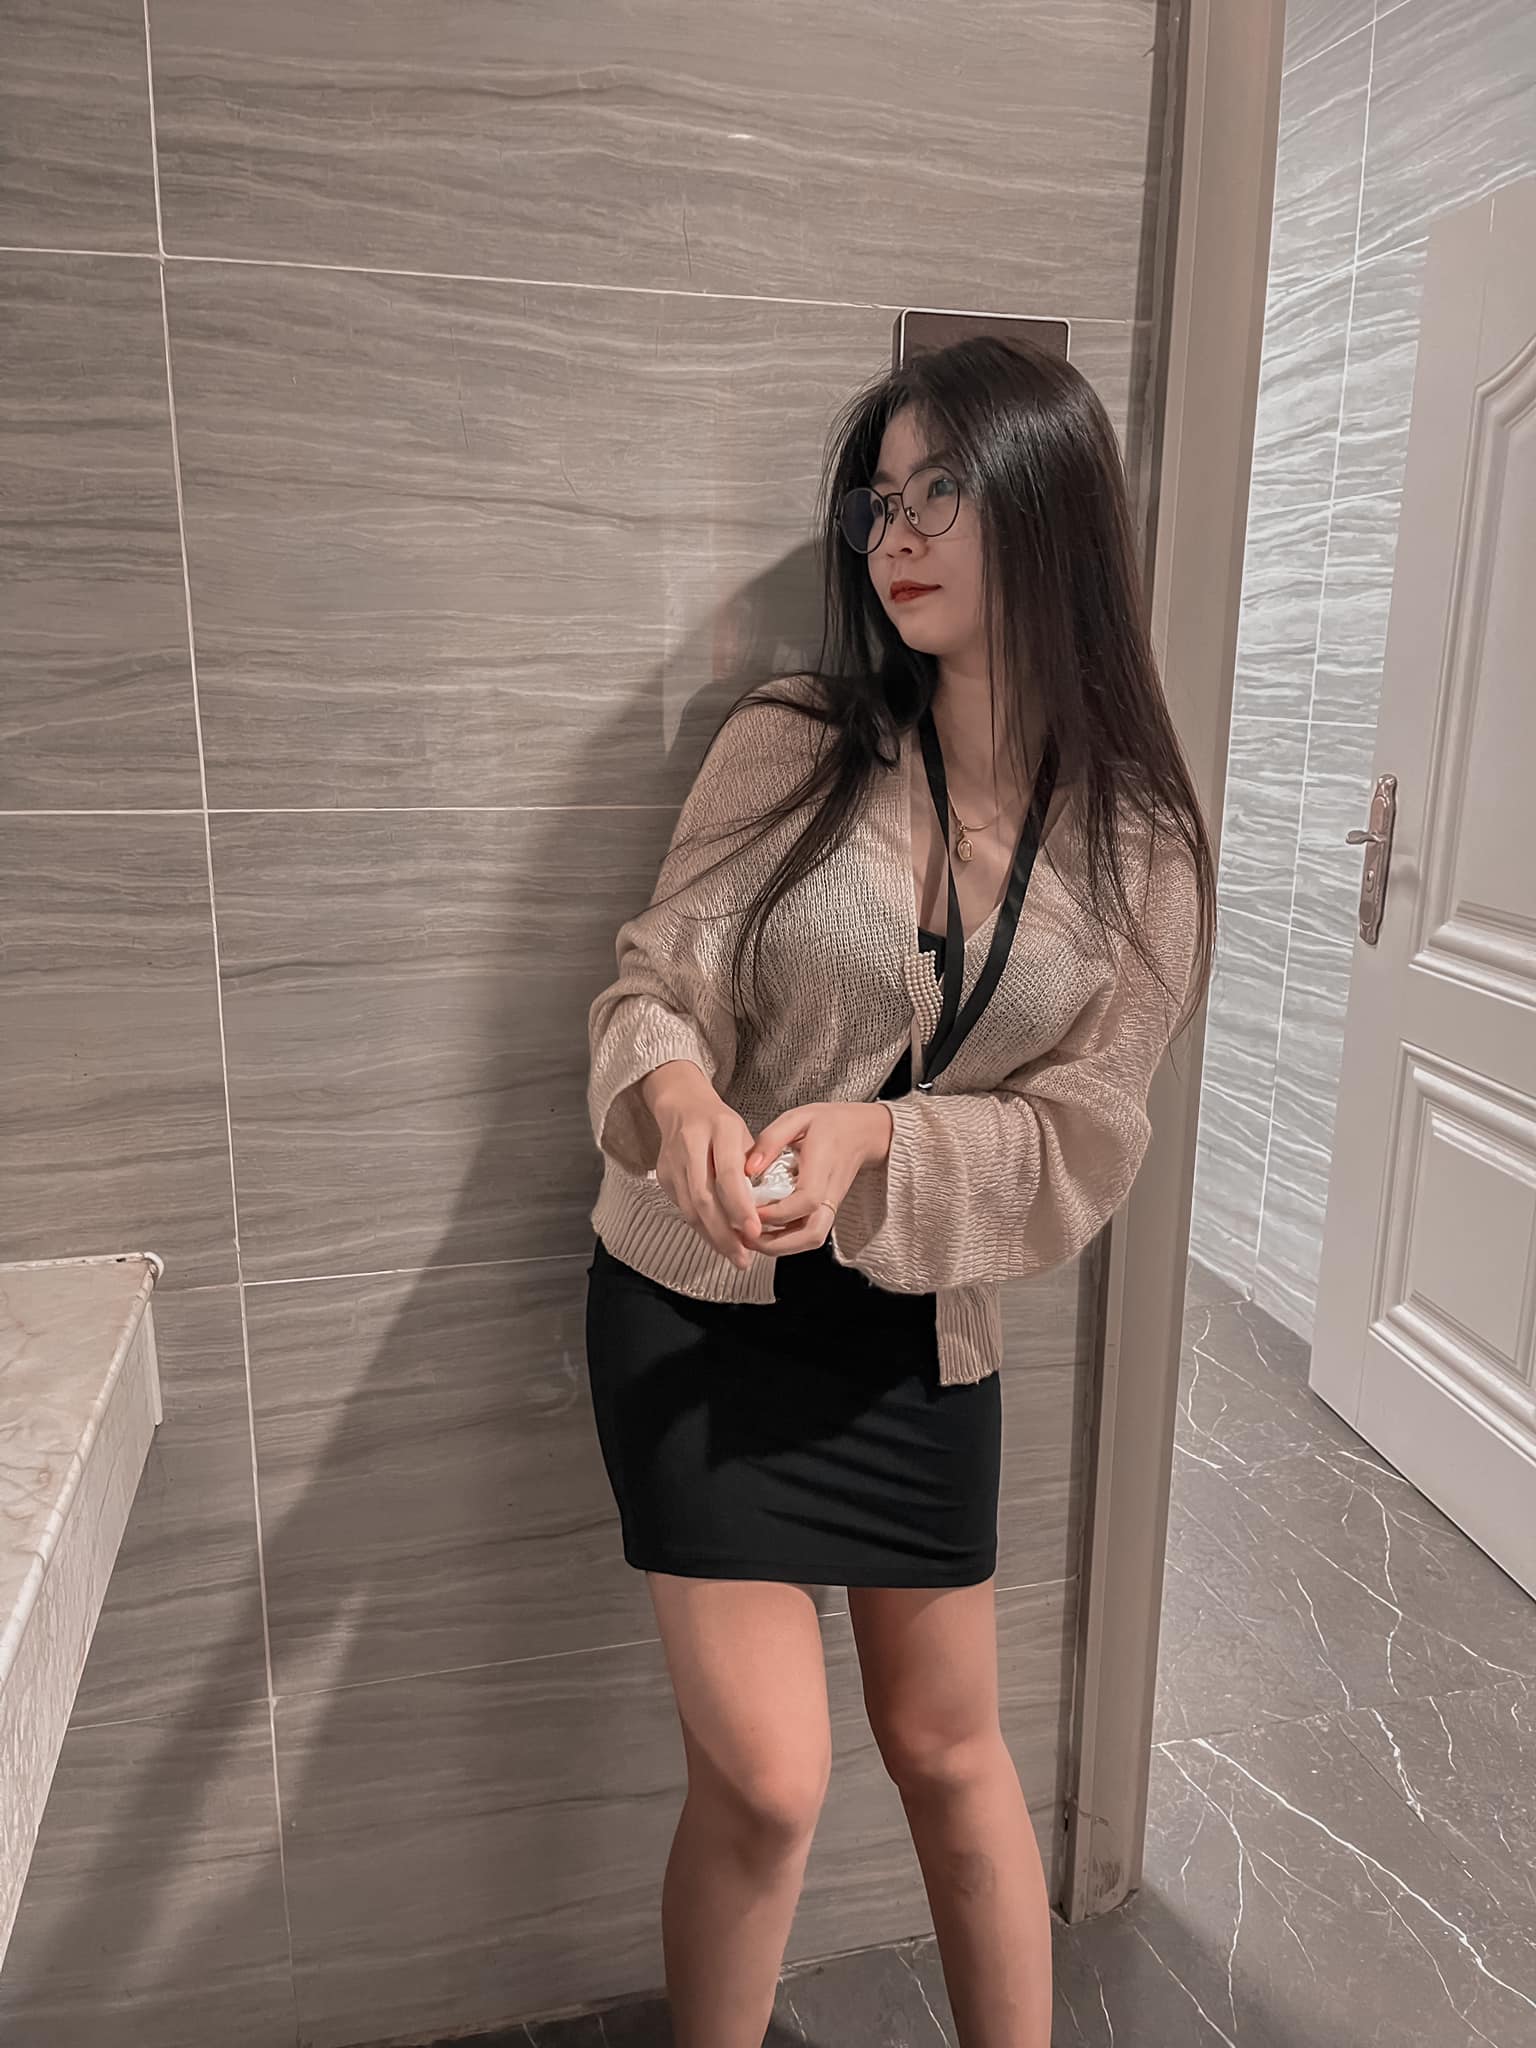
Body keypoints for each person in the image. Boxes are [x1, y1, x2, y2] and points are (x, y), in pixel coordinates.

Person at [583, 337, 1216, 2048]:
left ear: (1050, 506)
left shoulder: (1145, 855)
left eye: (946, 487)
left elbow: (1088, 1138)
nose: (900, 532)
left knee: (950, 1754)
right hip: (697, 1303)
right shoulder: (795, 740)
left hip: (918, 1340)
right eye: (882, 498)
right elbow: (655, 983)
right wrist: (679, 1096)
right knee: (771, 1780)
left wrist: (886, 1148)